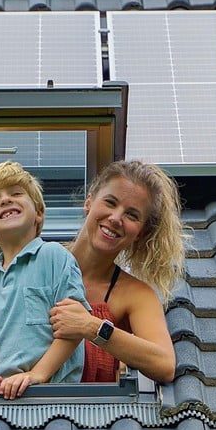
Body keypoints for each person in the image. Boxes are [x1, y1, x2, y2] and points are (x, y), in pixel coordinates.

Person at [0, 160, 89, 401]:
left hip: (53, 393)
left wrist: (37, 375)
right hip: (1, 397)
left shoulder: (54, 256)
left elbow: (74, 328)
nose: (5, 200)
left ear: (38, 213)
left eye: (16, 193)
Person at [49, 160, 183, 384]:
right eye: (110, 202)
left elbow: (164, 365)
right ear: (89, 202)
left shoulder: (135, 294)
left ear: (140, 232)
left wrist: (90, 326)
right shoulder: (39, 261)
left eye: (132, 215)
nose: (115, 218)